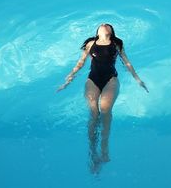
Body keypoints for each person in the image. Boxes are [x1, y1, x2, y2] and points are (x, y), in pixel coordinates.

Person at [57, 23, 148, 174]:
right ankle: (93, 152)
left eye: (108, 25)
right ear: (97, 32)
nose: (104, 24)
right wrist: (68, 80)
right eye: (101, 24)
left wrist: (138, 79)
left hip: (111, 80)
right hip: (93, 80)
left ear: (111, 32)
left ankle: (104, 149)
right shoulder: (91, 44)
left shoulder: (116, 44)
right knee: (94, 114)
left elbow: (127, 62)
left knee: (105, 110)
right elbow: (80, 63)